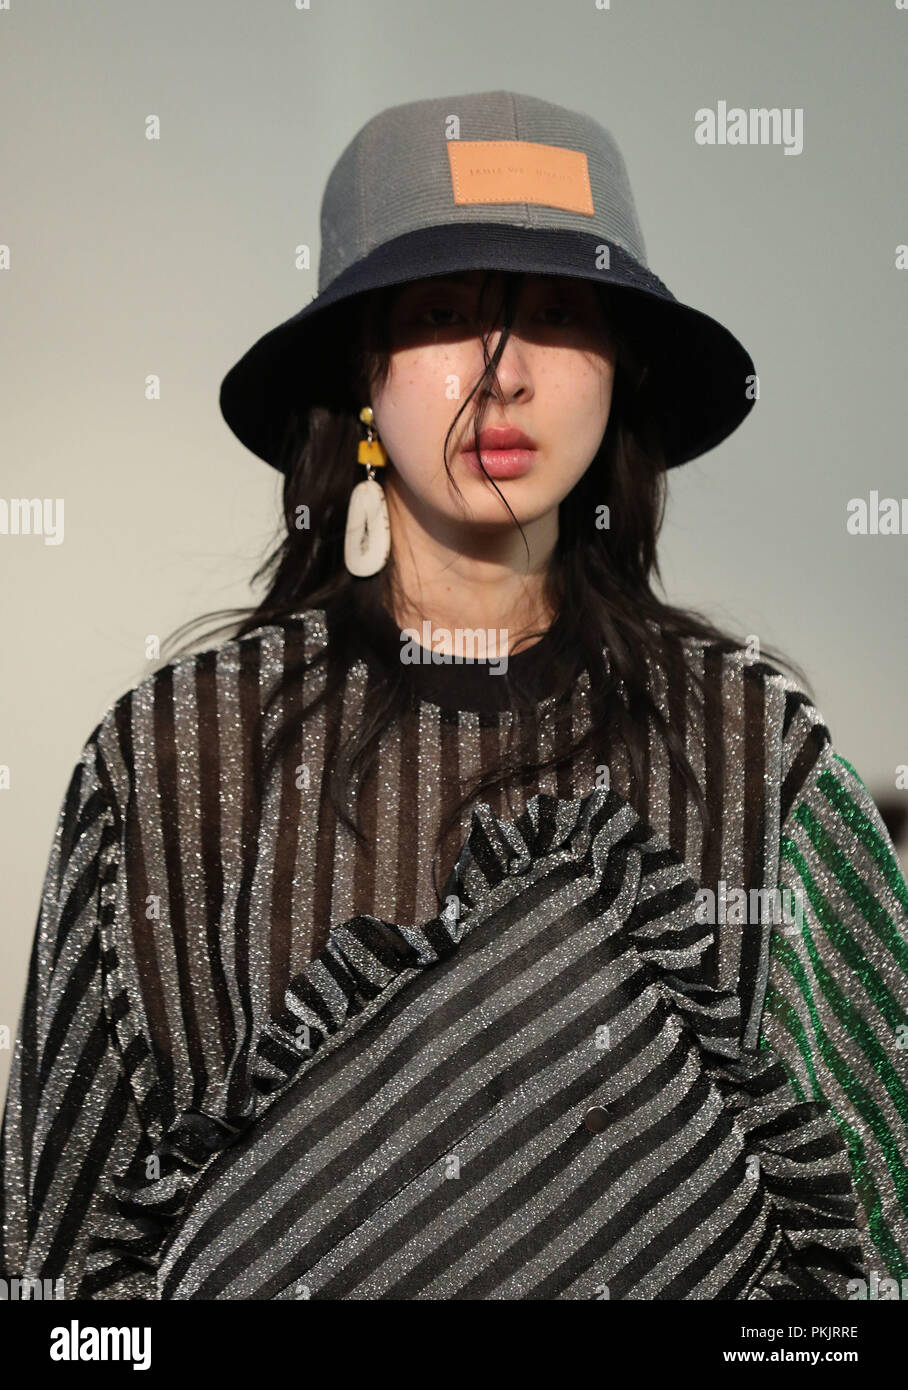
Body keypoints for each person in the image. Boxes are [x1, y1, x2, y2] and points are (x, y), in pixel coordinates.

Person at [2, 90, 906, 1302]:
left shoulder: (754, 758)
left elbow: (872, 1242)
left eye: (555, 311)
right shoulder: (174, 765)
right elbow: (56, 1270)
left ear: (619, 370)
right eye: (442, 313)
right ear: (360, 374)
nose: (504, 374)